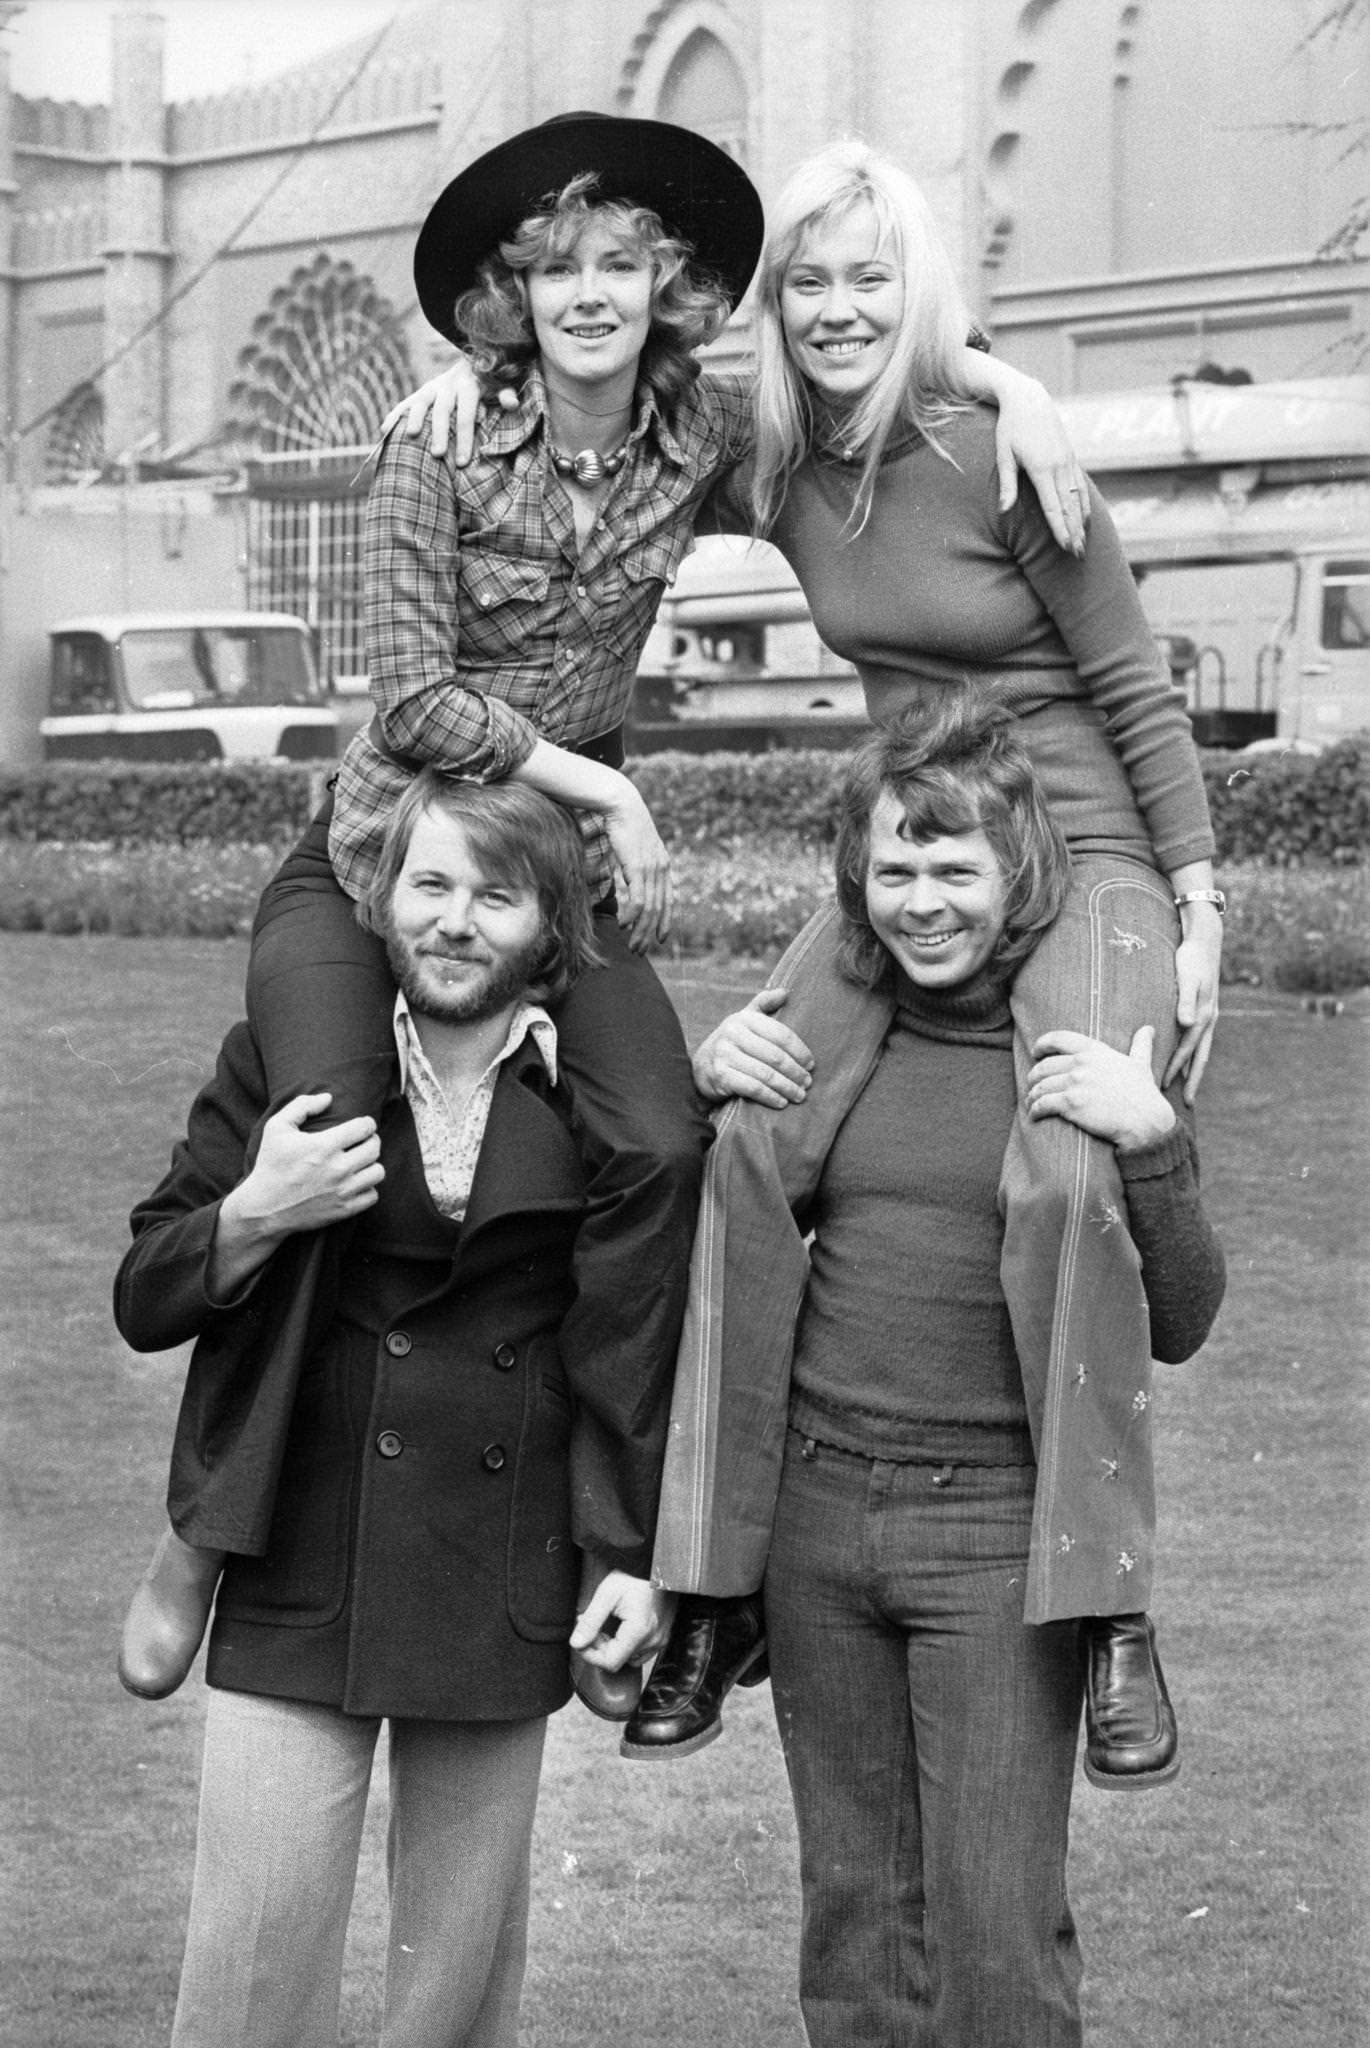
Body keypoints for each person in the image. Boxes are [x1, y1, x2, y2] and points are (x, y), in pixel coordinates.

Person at [117, 112, 1088, 1705]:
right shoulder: (432, 444)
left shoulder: (698, 436)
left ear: (666, 287)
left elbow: (868, 388)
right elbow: (413, 697)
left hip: (551, 898)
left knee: (657, 1144)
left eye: (620, 265)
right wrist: (610, 788)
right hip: (377, 862)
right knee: (331, 1125)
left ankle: (621, 1547)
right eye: (557, 267)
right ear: (515, 291)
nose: (588, 293)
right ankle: (210, 1525)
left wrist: (1017, 387)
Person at [644, 693, 1226, 2045]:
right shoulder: (830, 1039)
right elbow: (690, 1238)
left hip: (990, 1531)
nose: (920, 902)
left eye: (951, 867)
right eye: (893, 868)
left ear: (1016, 870)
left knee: (995, 1934)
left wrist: (1151, 1140)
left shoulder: (1088, 1052)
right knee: (856, 1928)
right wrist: (697, 1085)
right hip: (817, 1516)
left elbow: (1183, 1317)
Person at [113, 774, 675, 2048]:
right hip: (299, 1548)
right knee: (251, 1963)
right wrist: (256, 1208)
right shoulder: (291, 1057)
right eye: (430, 885)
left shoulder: (603, 1098)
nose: (457, 922)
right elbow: (146, 1291)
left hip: (500, 1560)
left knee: (456, 1993)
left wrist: (620, 1545)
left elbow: (641, 1332)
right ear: (379, 896)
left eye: (496, 894)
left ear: (551, 925)